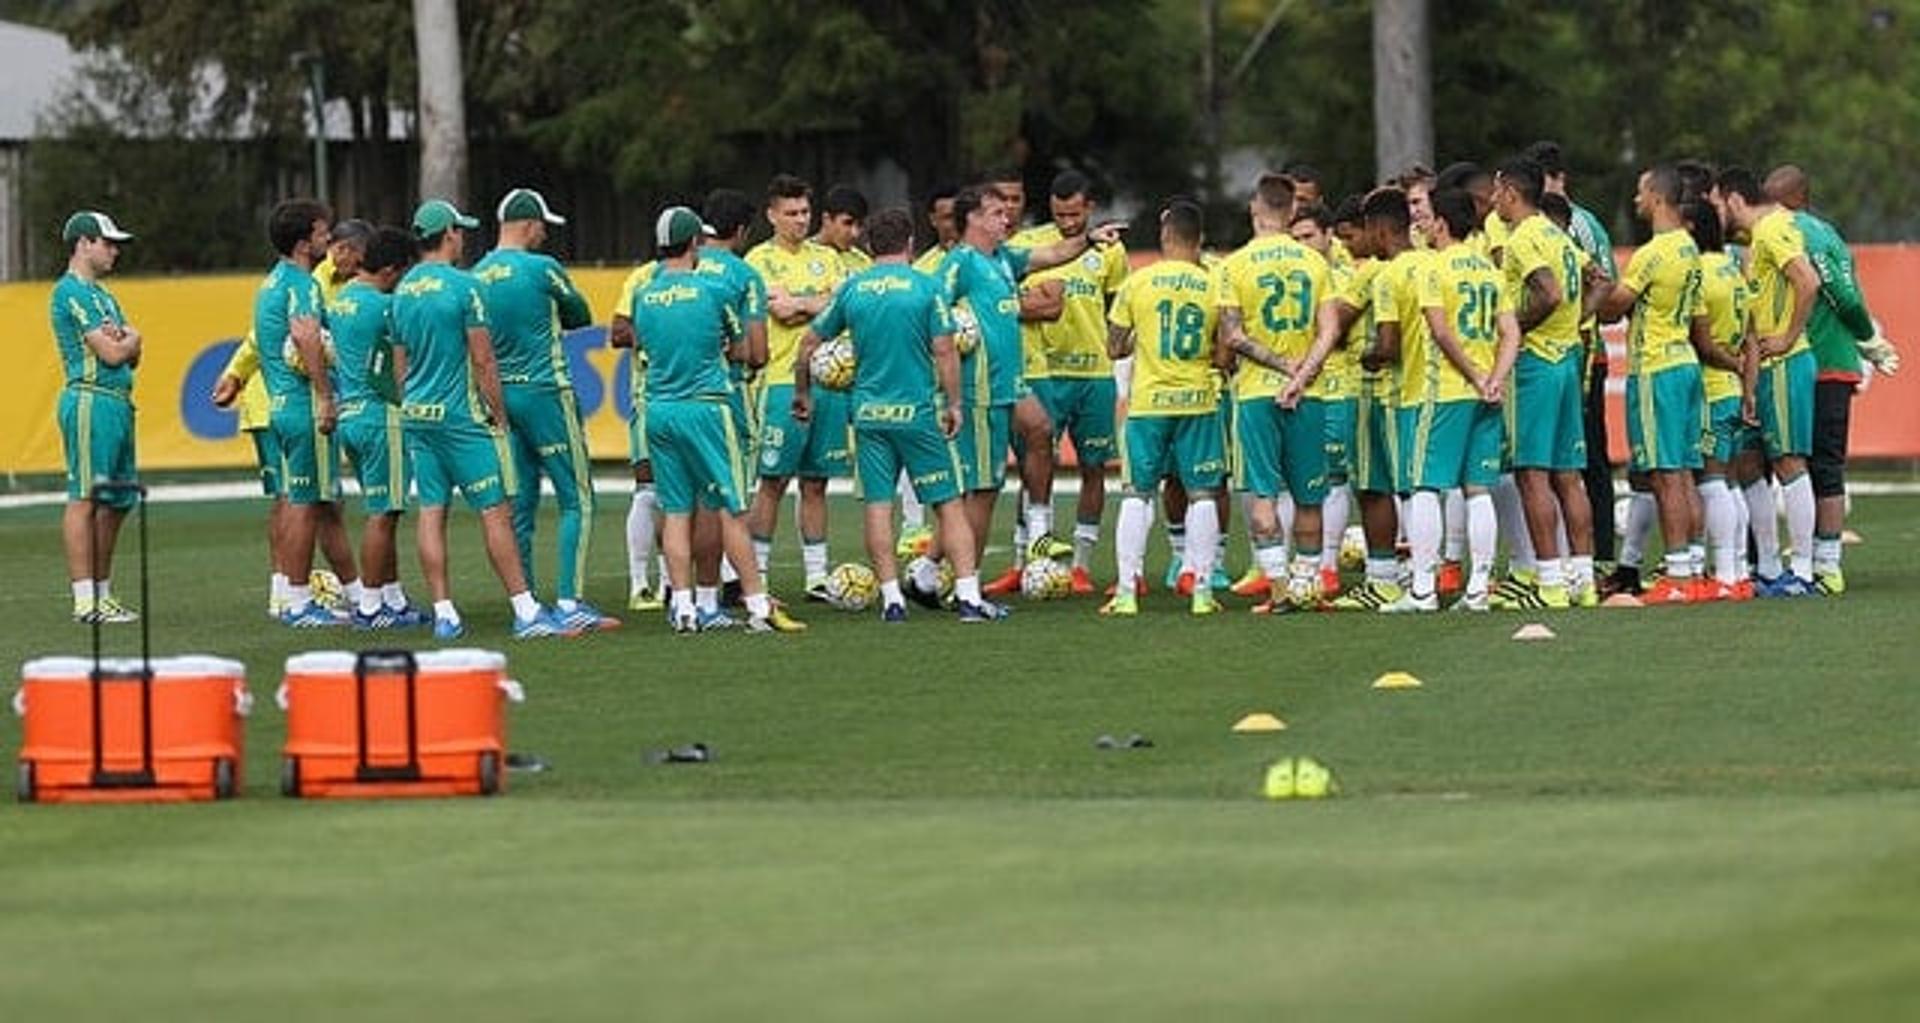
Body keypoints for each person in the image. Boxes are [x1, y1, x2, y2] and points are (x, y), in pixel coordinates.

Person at [792, 207, 999, 622]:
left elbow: (808, 343)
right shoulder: (925, 287)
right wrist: (955, 404)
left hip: (869, 415)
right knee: (949, 505)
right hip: (918, 414)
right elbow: (944, 351)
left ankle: (891, 600)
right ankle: (969, 598)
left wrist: (803, 392)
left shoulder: (854, 289)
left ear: (869, 246)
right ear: (908, 244)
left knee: (878, 506)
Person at [389, 199, 575, 640]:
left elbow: (400, 362)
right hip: (461, 419)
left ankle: (444, 611)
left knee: (432, 512)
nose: (464, 237)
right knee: (495, 511)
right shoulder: (464, 285)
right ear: (449, 233)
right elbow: (484, 360)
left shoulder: (402, 288)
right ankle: (526, 610)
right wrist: (498, 413)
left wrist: (411, 401)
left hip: (418, 414)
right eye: (460, 230)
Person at [930, 183, 1124, 587]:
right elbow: (932, 311)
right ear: (974, 219)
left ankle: (1036, 527)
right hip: (977, 387)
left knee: (1039, 429)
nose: (1008, 219)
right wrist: (950, 344)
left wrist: (1089, 239)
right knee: (979, 491)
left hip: (1010, 383)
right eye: (997, 213)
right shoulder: (960, 263)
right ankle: (954, 579)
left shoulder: (1004, 258)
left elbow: (1054, 253)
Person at [627, 206, 789, 634]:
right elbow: (744, 349)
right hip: (708, 408)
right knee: (731, 510)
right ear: (695, 242)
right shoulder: (711, 292)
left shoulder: (644, 293)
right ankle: (757, 604)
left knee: (676, 510)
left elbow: (640, 344)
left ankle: (682, 608)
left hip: (659, 410)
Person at [472, 188, 616, 632]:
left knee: (521, 505)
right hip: (545, 392)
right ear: (528, 224)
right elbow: (579, 314)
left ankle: (530, 605)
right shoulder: (541, 268)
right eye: (542, 226)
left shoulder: (475, 274)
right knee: (578, 499)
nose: (544, 235)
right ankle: (570, 601)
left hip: (499, 397)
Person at [1378, 189, 1521, 612]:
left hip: (1442, 393)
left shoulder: (1432, 268)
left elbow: (1440, 332)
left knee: (1424, 486)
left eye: (1427, 217)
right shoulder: (1488, 271)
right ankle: (1477, 590)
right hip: (1487, 396)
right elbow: (1511, 332)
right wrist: (1494, 379)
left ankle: (1423, 590)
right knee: (1477, 489)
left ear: (1441, 223)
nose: (1420, 223)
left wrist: (1476, 376)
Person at [1767, 164, 1897, 595]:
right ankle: (1810, 562)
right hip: (1815, 361)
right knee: (1809, 461)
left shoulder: (1806, 233)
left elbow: (1842, 292)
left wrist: (1867, 337)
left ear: (1786, 198)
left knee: (1817, 461)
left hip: (1821, 361)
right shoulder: (1825, 232)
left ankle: (1825, 565)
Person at [1213, 173, 1337, 612]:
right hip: (1309, 393)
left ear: (1254, 209)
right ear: (1291, 213)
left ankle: (1280, 589)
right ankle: (1309, 585)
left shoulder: (1234, 265)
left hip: (1255, 395)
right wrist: (1301, 375)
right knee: (1310, 495)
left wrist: (1281, 367)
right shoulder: (1315, 263)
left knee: (1263, 494)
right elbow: (1330, 329)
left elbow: (1233, 335)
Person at [1100, 200, 1226, 616]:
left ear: (1164, 237)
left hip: (1149, 404)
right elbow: (1226, 353)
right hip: (1199, 401)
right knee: (1203, 494)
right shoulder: (1215, 284)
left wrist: (1146, 341)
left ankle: (1125, 593)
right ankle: (1203, 592)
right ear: (1200, 240)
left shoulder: (1139, 282)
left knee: (1137, 494)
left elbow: (1114, 346)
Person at [1009, 169, 1128, 594]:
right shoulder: (1027, 245)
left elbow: (1119, 306)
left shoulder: (1111, 252)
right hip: (1041, 370)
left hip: (1094, 373)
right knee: (1033, 465)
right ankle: (1026, 560)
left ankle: (1079, 565)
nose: (1067, 222)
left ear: (1090, 208)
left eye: (1075, 214)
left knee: (1094, 468)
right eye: (1060, 214)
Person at [1595, 165, 1710, 604]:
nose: (1636, 200)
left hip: (1656, 368)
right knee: (1682, 472)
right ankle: (1693, 571)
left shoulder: (1653, 253)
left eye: (1641, 192)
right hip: (1685, 364)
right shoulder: (1689, 249)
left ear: (1658, 198)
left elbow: (1611, 311)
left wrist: (1598, 288)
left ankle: (1677, 575)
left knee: (1662, 474)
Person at [1492, 157, 1597, 608]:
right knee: (1569, 476)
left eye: (1497, 191)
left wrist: (1514, 324)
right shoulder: (1558, 234)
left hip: (1535, 363)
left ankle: (1550, 583)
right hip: (1567, 359)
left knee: (1532, 474)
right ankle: (1583, 580)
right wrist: (1575, 322)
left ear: (1512, 193)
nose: (1494, 200)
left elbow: (1550, 293)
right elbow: (1600, 280)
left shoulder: (1525, 237)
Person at [1713, 166, 1823, 597]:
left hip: (1788, 363)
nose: (1716, 211)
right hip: (1766, 369)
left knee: (1789, 461)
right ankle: (1772, 568)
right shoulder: (1759, 238)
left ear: (1735, 200)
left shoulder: (1775, 229)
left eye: (1718, 203)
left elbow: (1807, 281)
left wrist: (1790, 335)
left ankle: (1804, 571)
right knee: (1750, 463)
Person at [254, 198, 362, 628]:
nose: (328, 239)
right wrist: (324, 395)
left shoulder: (272, 282)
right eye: (322, 232)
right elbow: (305, 337)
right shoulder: (302, 284)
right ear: (304, 242)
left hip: (279, 405)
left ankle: (315, 594)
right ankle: (299, 603)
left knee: (307, 502)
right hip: (302, 408)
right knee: (306, 504)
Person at [745, 175, 848, 601]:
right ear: (771, 215)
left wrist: (802, 302)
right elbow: (780, 315)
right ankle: (760, 579)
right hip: (783, 382)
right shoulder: (758, 260)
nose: (800, 220)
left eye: (805, 212)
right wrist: (818, 303)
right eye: (791, 213)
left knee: (816, 482)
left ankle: (816, 578)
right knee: (772, 480)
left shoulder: (827, 256)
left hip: (828, 379)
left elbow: (842, 306)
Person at [324, 226, 427, 628]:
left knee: (384, 510)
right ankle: (369, 606)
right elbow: (396, 367)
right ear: (390, 270)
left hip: (351, 413)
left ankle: (393, 598)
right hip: (383, 416)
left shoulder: (342, 300)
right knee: (384, 513)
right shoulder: (385, 307)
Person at [1526, 140, 1621, 568]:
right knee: (1574, 461)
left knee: (1573, 461)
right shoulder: (1588, 224)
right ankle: (1585, 561)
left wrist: (1576, 319)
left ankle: (1590, 556)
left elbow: (1608, 286)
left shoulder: (1571, 225)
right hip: (1576, 350)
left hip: (1575, 352)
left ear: (1558, 179)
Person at [51, 210, 142, 624]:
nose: (115, 251)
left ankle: (102, 593)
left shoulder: (105, 296)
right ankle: (84, 599)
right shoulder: (69, 291)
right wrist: (129, 339)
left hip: (118, 400)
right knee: (85, 495)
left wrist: (129, 342)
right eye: (107, 243)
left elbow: (132, 355)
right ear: (84, 243)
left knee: (118, 499)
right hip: (89, 398)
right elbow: (114, 351)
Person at [1684, 199, 1759, 600]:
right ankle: (1739, 569)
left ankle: (1727, 576)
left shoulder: (1699, 274)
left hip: (1712, 390)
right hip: (1731, 392)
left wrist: (1729, 366)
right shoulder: (1733, 272)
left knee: (1711, 482)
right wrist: (1748, 388)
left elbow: (1704, 343)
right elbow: (1750, 339)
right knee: (1729, 483)